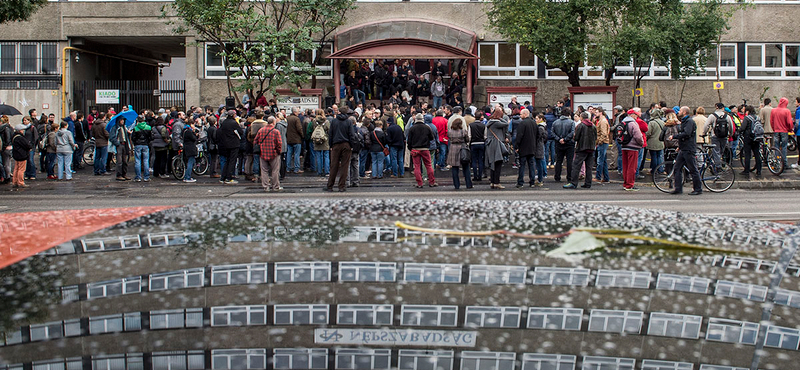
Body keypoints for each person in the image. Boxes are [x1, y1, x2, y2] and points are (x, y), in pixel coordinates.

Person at [668, 106, 703, 195]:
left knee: (693, 169)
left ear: (684, 112)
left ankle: (698, 189)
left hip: (688, 149)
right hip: (684, 148)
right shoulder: (685, 121)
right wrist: (680, 146)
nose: (678, 112)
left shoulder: (689, 121)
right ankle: (678, 188)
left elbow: (687, 134)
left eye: (680, 111)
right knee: (677, 168)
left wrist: (674, 136)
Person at [565, 112, 597, 189]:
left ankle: (573, 183)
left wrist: (574, 137)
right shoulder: (593, 125)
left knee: (576, 166)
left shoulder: (581, 125)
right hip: (591, 148)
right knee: (589, 167)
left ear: (581, 118)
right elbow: (595, 137)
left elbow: (576, 138)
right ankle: (588, 183)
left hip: (582, 148)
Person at [324, 109, 354, 192]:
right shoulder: (348, 121)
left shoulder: (334, 121)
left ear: (339, 112)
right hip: (346, 144)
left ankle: (330, 185)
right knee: (345, 166)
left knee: (334, 166)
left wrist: (330, 145)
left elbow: (331, 134)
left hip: (336, 144)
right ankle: (342, 186)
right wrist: (351, 145)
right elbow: (351, 134)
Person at [253, 116, 283, 192]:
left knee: (264, 171)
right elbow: (279, 143)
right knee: (275, 171)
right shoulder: (276, 131)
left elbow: (255, 141)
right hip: (274, 153)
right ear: (273, 122)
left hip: (263, 153)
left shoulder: (261, 130)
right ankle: (276, 186)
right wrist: (279, 151)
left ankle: (266, 186)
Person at [407, 113, 437, 188]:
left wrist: (410, 148)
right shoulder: (427, 127)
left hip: (415, 149)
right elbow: (432, 138)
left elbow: (409, 140)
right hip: (425, 149)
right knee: (429, 165)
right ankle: (432, 182)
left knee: (417, 166)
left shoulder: (412, 128)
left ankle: (419, 183)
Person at [702, 102, 733, 167]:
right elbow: (731, 126)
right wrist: (730, 134)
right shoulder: (727, 116)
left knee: (716, 151)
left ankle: (717, 166)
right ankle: (719, 163)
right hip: (724, 136)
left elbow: (706, 125)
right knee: (721, 151)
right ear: (723, 108)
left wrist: (704, 133)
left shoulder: (712, 116)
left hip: (715, 136)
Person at [485, 107, 509, 189]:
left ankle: (492, 182)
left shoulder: (489, 122)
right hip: (497, 145)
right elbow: (506, 123)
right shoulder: (496, 123)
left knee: (493, 164)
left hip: (490, 144)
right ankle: (497, 182)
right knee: (498, 163)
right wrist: (500, 118)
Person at [514, 109, 538, 188]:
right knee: (531, 165)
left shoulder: (522, 123)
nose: (520, 116)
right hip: (532, 147)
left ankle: (520, 182)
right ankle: (532, 182)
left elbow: (519, 136)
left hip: (523, 147)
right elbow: (537, 135)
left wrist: (516, 146)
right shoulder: (534, 123)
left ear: (525, 114)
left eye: (521, 114)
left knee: (522, 165)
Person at [620, 110, 644, 191]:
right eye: (636, 115)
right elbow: (638, 136)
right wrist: (641, 143)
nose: (637, 117)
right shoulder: (633, 123)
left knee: (625, 166)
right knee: (632, 167)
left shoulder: (623, 123)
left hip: (624, 146)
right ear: (632, 115)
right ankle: (630, 185)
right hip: (633, 147)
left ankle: (625, 183)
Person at [551, 107, 575, 183]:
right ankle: (569, 177)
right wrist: (565, 139)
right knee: (569, 161)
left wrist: (559, 139)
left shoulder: (555, 122)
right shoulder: (571, 122)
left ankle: (557, 176)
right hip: (569, 143)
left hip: (558, 143)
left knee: (559, 161)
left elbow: (552, 132)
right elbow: (572, 132)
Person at [447, 117, 471, 189]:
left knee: (454, 167)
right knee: (466, 167)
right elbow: (467, 139)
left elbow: (449, 138)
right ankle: (468, 184)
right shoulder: (463, 131)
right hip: (462, 148)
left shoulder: (450, 131)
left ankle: (456, 185)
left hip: (453, 149)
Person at [770, 97, 794, 169]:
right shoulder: (787, 111)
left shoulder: (773, 110)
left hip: (776, 131)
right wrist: (790, 129)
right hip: (784, 131)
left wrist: (774, 128)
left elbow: (771, 121)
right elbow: (789, 122)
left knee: (776, 147)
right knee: (784, 147)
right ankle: (785, 163)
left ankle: (777, 162)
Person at [739, 105, 762, 178]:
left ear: (747, 111)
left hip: (748, 138)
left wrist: (738, 131)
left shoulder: (747, 118)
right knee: (757, 154)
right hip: (757, 137)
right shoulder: (758, 117)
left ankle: (746, 170)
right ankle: (759, 170)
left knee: (747, 154)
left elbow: (742, 128)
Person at [109, 117, 132, 181]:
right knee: (119, 161)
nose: (122, 121)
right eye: (121, 120)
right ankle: (119, 175)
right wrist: (117, 143)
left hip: (124, 144)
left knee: (125, 160)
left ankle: (124, 174)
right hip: (119, 145)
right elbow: (112, 137)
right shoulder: (115, 128)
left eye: (123, 120)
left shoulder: (124, 127)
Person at [645, 108, 665, 175]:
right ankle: (660, 169)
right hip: (661, 142)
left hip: (652, 142)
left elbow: (648, 133)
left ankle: (654, 170)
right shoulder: (662, 122)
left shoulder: (652, 122)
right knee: (659, 156)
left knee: (653, 157)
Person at [131, 117, 152, 182]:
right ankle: (146, 177)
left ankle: (138, 177)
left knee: (137, 161)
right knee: (146, 161)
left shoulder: (136, 128)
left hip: (138, 145)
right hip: (145, 144)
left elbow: (133, 138)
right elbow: (150, 137)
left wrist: (135, 143)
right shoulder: (148, 127)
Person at [311, 110, 331, 177]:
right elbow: (329, 131)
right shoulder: (326, 121)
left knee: (318, 156)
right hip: (325, 140)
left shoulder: (314, 121)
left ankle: (319, 171)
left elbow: (313, 129)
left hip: (317, 140)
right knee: (326, 155)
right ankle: (327, 171)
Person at [11, 123, 31, 188]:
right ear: (20, 130)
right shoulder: (20, 138)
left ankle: (15, 181)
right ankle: (21, 182)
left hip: (16, 154)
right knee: (21, 169)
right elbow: (27, 145)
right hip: (22, 154)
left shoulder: (14, 137)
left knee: (16, 168)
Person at [594, 107, 611, 183]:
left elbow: (604, 134)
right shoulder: (600, 120)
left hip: (602, 143)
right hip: (603, 142)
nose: (595, 114)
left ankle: (598, 177)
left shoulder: (603, 121)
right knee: (603, 161)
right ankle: (606, 177)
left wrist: (599, 141)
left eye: (597, 112)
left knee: (600, 160)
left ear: (601, 112)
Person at [286, 107, 304, 174]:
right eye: (298, 111)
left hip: (289, 139)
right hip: (296, 139)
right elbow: (299, 129)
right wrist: (302, 136)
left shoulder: (287, 118)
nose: (299, 113)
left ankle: (288, 168)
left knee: (289, 154)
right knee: (296, 154)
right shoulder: (296, 119)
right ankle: (296, 168)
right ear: (295, 112)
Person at [469, 112, 485, 182]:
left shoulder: (471, 125)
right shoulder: (483, 125)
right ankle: (480, 176)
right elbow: (485, 136)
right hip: (481, 143)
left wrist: (468, 143)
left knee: (474, 160)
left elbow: (469, 136)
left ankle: (475, 176)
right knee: (480, 160)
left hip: (473, 143)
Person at [181, 119, 198, 183]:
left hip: (187, 147)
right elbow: (194, 138)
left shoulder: (184, 130)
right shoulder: (189, 131)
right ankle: (187, 177)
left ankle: (186, 176)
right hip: (190, 148)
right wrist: (194, 132)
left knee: (191, 161)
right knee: (190, 162)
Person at [534, 113, 547, 186]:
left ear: (540, 119)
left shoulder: (540, 127)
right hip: (540, 146)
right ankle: (540, 178)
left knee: (539, 163)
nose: (536, 120)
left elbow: (538, 137)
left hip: (538, 147)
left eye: (537, 119)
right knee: (541, 161)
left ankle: (540, 179)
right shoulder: (543, 126)